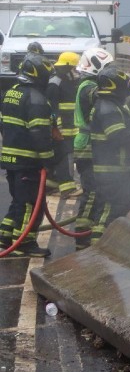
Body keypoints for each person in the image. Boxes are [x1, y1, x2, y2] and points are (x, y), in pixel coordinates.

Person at [0, 55, 57, 257]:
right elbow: (40, 133)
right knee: (32, 203)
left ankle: (5, 235)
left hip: (10, 157)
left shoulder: (10, 93)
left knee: (18, 200)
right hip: (29, 159)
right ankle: (24, 242)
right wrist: (48, 159)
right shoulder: (37, 99)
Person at [86, 66, 130, 244]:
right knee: (108, 211)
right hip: (110, 170)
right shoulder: (108, 108)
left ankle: (104, 248)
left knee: (119, 207)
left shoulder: (109, 106)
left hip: (115, 168)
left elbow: (119, 126)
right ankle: (96, 251)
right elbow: (118, 138)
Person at [70, 47, 114, 247]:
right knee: (92, 191)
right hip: (87, 144)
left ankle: (88, 233)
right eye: (107, 67)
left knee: (97, 190)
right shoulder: (88, 86)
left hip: (91, 144)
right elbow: (107, 94)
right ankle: (82, 236)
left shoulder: (88, 83)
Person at [46, 52, 81, 195]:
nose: (77, 70)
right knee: (65, 156)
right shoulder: (55, 83)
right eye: (75, 67)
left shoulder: (69, 80)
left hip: (71, 126)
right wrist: (56, 128)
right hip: (62, 128)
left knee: (63, 155)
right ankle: (68, 188)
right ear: (68, 67)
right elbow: (52, 109)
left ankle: (51, 183)